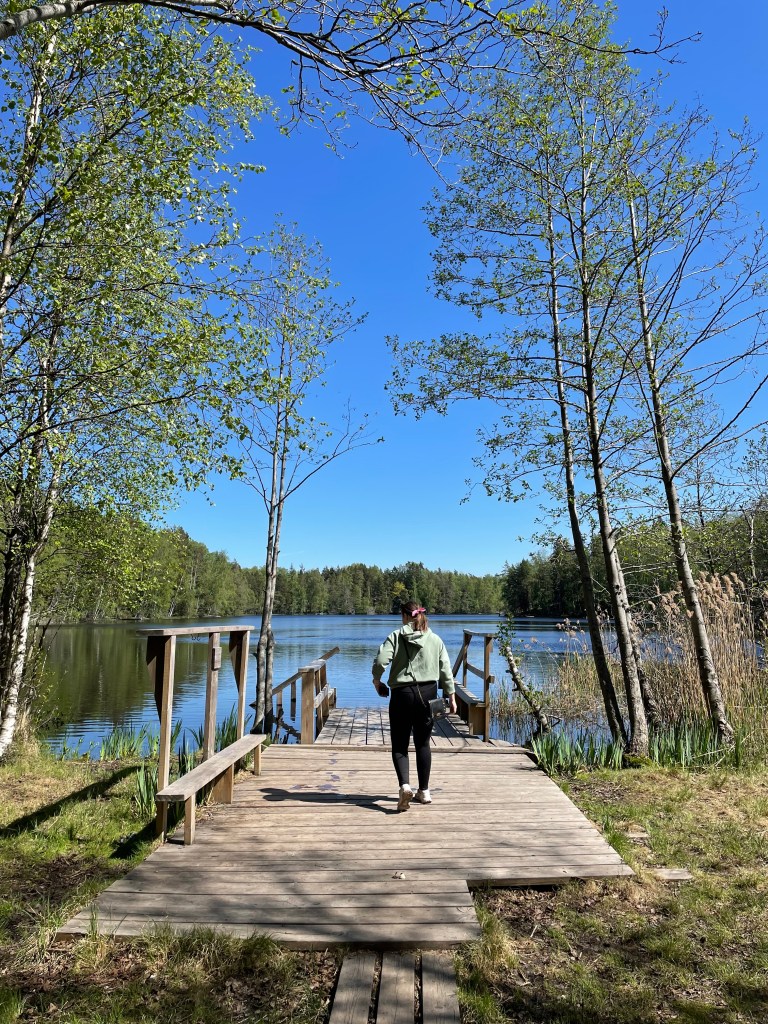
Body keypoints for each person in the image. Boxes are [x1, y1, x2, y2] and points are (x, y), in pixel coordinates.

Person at [371, 601, 457, 811]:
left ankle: (405, 787)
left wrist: (377, 680)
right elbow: (445, 669)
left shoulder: (396, 636)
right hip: (428, 694)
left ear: (404, 616)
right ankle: (424, 792)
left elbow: (381, 661)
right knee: (423, 743)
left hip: (402, 694)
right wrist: (452, 695)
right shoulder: (435, 640)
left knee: (400, 744)